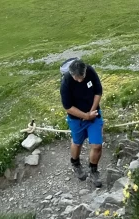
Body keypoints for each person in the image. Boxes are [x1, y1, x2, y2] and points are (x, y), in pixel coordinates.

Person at [60, 58, 104, 187]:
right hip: (76, 119)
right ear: (72, 74)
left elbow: (98, 91)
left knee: (97, 145)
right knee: (77, 143)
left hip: (94, 115)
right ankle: (75, 163)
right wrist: (85, 116)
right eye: (76, 78)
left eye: (82, 77)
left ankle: (93, 170)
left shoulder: (90, 71)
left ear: (85, 71)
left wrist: (91, 113)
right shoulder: (66, 81)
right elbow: (68, 106)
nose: (80, 80)